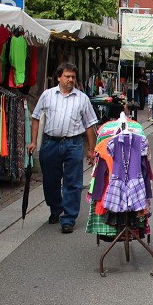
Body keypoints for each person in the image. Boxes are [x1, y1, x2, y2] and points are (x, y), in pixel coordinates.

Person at [28, 63, 98, 234]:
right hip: (50, 143)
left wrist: (91, 149)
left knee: (72, 182)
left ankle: (69, 218)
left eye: (73, 77)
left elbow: (90, 125)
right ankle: (56, 208)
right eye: (67, 76)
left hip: (73, 143)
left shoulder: (82, 98)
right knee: (50, 181)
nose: (70, 80)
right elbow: (36, 117)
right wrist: (33, 142)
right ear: (59, 77)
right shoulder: (47, 95)